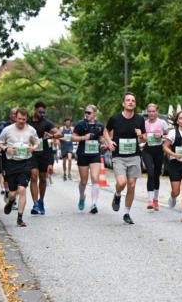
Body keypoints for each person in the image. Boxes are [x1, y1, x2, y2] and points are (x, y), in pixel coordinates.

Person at [105, 93, 144, 225]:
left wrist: (141, 135)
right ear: (123, 103)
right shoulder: (115, 119)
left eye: (133, 100)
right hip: (119, 156)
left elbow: (143, 138)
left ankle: (126, 213)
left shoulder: (139, 119)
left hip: (134, 155)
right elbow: (105, 131)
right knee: (122, 183)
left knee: (132, 185)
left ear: (135, 104)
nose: (130, 102)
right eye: (128, 100)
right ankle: (117, 195)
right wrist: (109, 141)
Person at [0, 108, 39, 228]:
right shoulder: (7, 130)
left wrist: (33, 148)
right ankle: (10, 201)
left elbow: (37, 142)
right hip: (11, 163)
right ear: (16, 117)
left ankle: (20, 218)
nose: (21, 121)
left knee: (23, 190)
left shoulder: (31, 130)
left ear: (27, 119)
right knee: (13, 193)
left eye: (24, 120)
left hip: (25, 162)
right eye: (19, 119)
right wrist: (6, 149)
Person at [72, 104, 105, 214]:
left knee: (95, 178)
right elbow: (73, 137)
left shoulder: (100, 125)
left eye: (89, 112)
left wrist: (103, 142)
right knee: (84, 181)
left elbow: (101, 137)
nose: (86, 114)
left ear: (95, 113)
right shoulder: (81, 124)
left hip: (95, 154)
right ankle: (82, 196)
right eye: (86, 112)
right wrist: (83, 137)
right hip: (83, 154)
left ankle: (94, 204)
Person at [27, 102, 58, 215]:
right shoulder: (28, 122)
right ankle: (35, 204)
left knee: (43, 178)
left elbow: (60, 133)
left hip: (44, 153)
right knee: (33, 177)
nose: (42, 114)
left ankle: (41, 201)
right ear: (35, 110)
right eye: (40, 112)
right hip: (32, 153)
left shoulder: (47, 123)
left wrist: (52, 136)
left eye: (44, 112)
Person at [142, 103, 168, 211]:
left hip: (158, 150)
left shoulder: (162, 123)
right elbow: (141, 137)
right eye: (149, 111)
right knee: (150, 173)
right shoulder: (144, 123)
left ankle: (156, 199)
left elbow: (169, 137)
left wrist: (161, 136)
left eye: (153, 111)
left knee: (156, 175)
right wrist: (142, 137)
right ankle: (150, 201)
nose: (151, 113)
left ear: (157, 112)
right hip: (147, 150)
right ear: (147, 112)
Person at [59, 117, 75, 181]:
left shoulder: (72, 129)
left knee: (70, 159)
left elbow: (74, 136)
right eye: (67, 122)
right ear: (64, 122)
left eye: (69, 122)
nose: (68, 123)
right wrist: (64, 138)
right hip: (63, 146)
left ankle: (69, 173)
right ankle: (64, 173)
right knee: (64, 161)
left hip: (70, 146)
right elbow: (58, 137)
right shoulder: (61, 129)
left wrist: (72, 138)